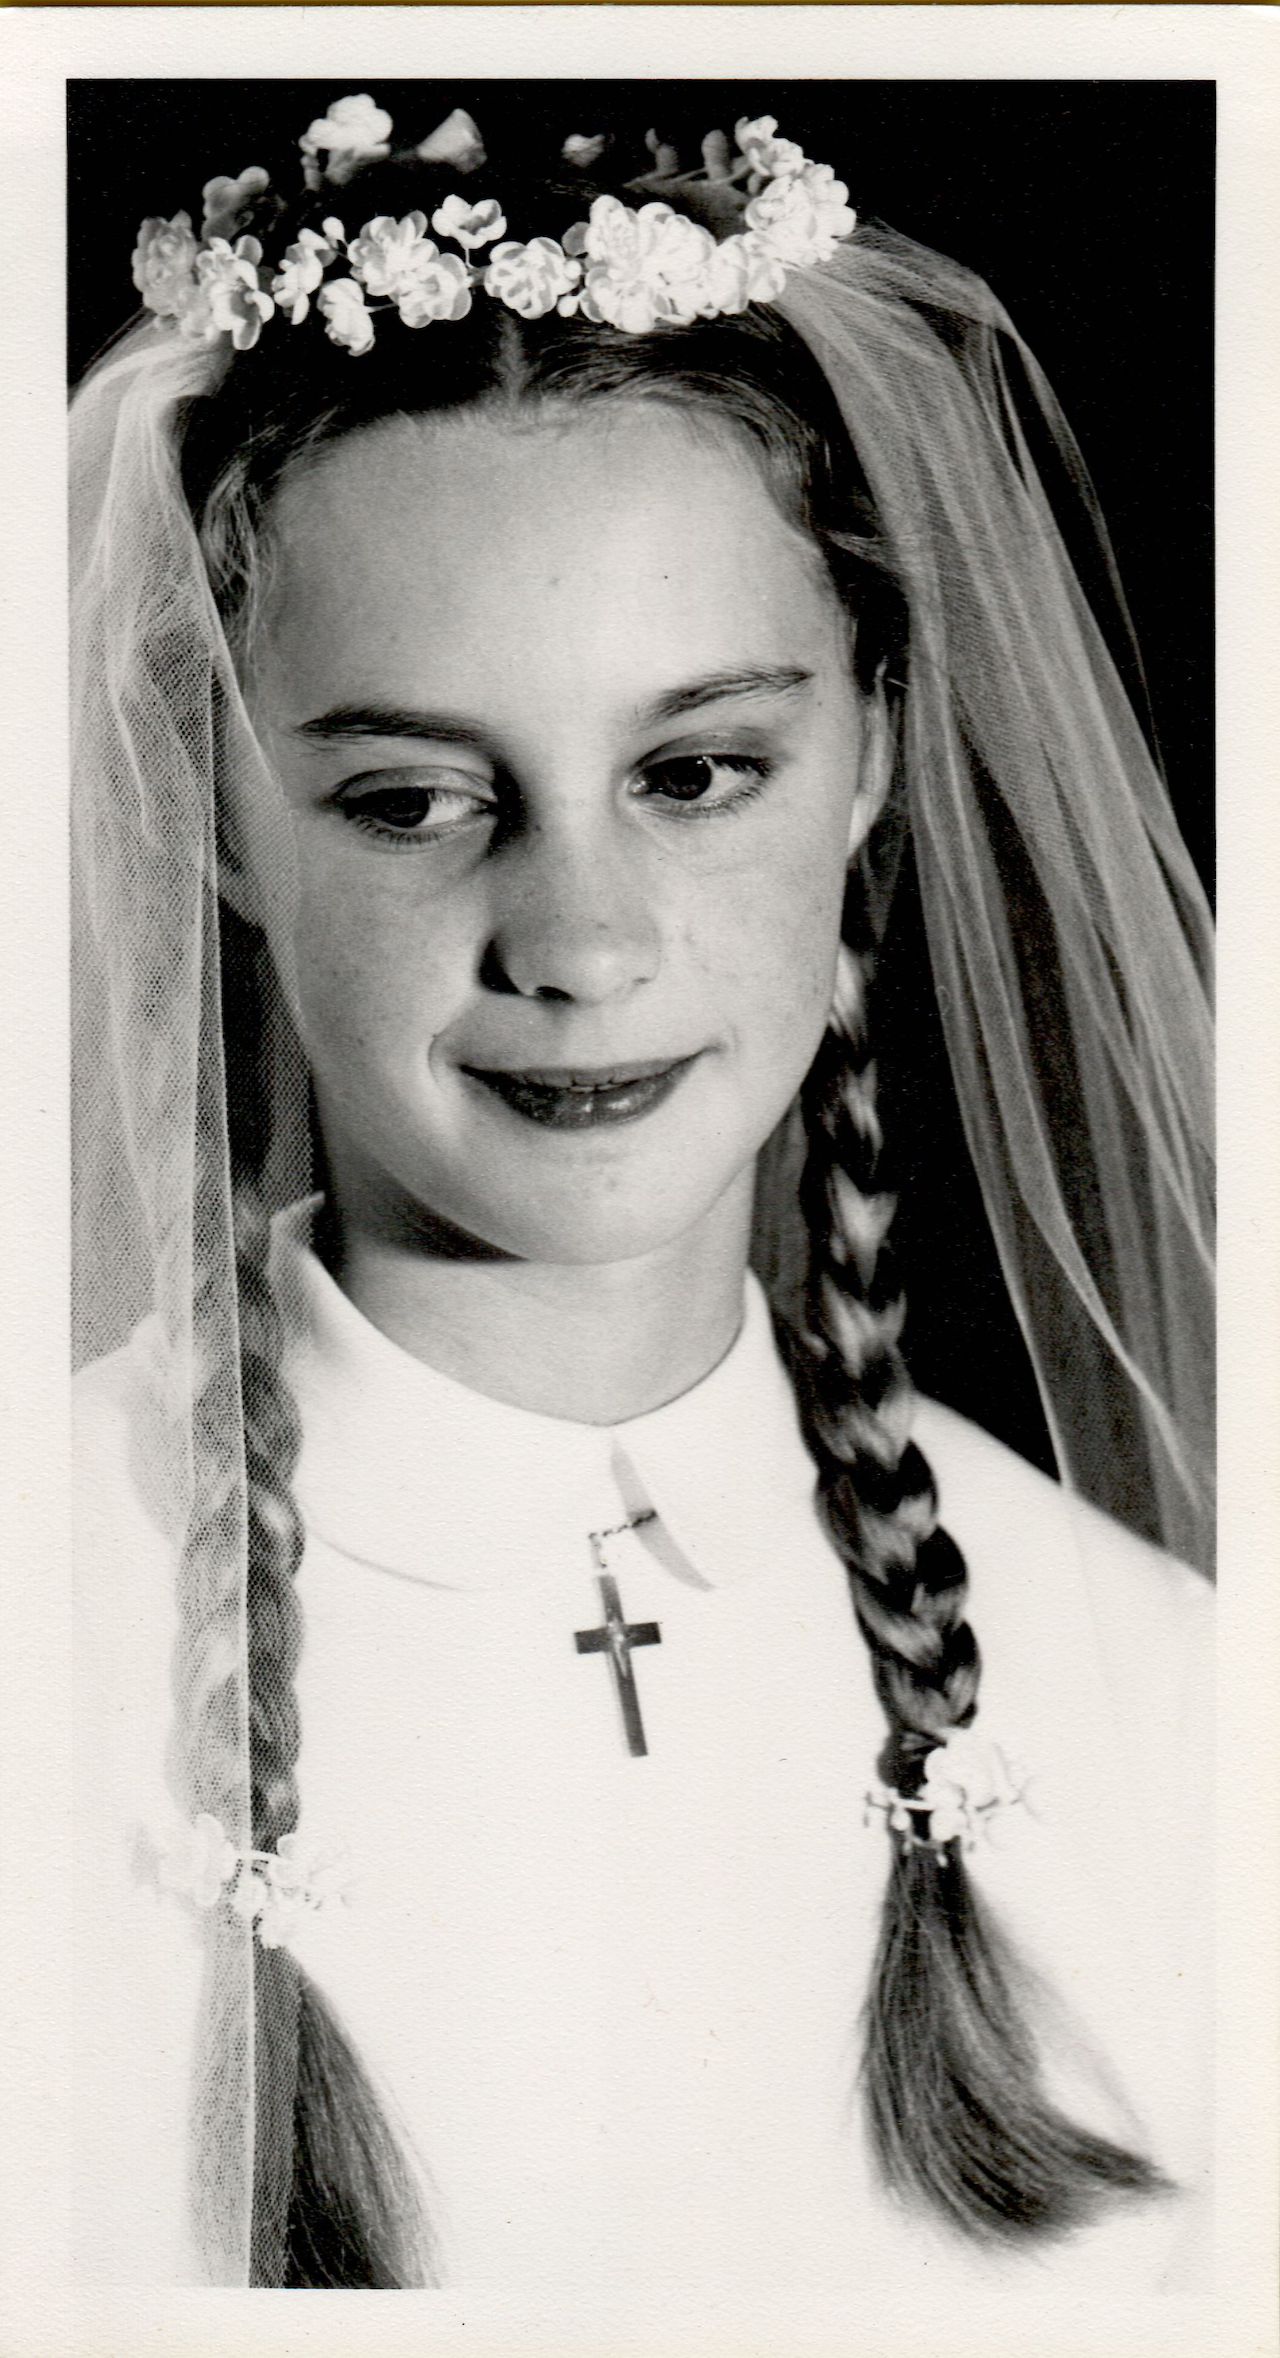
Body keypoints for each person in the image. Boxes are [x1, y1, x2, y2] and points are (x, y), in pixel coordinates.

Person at [70, 94, 1215, 2298]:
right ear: (213, 807)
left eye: (694, 773)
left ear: (870, 750)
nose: (576, 942)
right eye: (411, 800)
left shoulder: (1155, 1699)